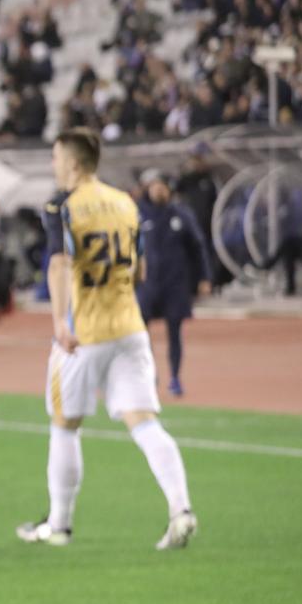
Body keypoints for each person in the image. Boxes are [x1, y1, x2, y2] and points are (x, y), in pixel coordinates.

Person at [17, 129, 198, 551]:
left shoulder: (62, 205)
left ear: (74, 163)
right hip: (130, 328)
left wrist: (61, 322)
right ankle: (181, 509)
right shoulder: (125, 202)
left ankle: (59, 525)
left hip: (84, 332)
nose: (53, 165)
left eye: (57, 157)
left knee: (65, 426)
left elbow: (60, 265)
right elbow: (140, 272)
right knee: (145, 423)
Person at [136, 169, 215, 396]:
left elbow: (198, 247)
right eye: (155, 186)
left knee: (175, 331)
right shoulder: (137, 214)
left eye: (163, 186)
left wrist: (204, 277)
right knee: (141, 333)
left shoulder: (181, 214)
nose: (159, 190)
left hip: (175, 284)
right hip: (147, 284)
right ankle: (149, 375)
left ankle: (175, 378)